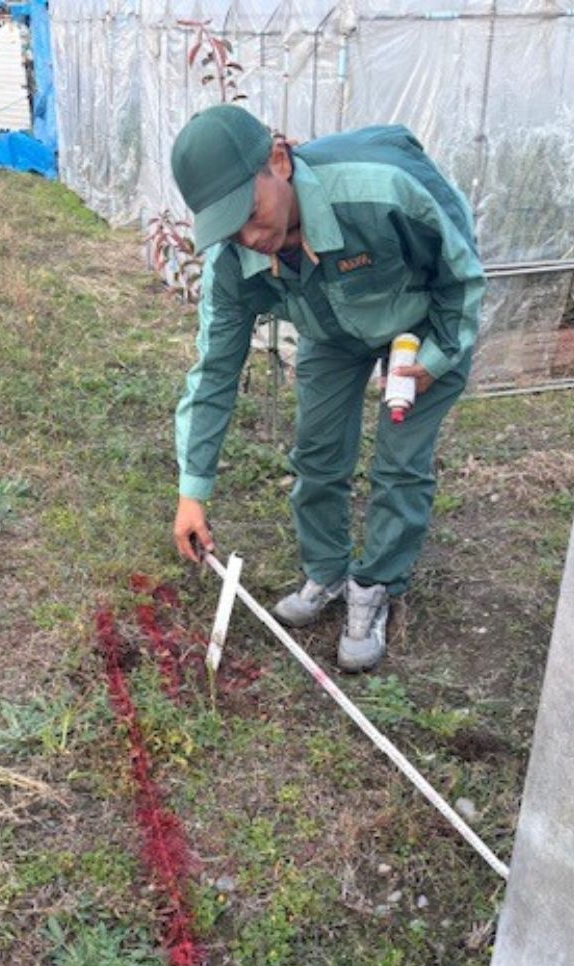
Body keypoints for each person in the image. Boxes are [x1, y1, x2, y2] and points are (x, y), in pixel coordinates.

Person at [170, 104, 484, 671]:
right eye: (227, 225)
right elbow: (214, 373)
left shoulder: (382, 191)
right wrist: (193, 492)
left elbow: (462, 272)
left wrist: (437, 357)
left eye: (248, 211)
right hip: (331, 333)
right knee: (316, 453)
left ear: (279, 162)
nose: (248, 235)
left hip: (421, 330)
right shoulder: (236, 261)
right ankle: (327, 573)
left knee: (400, 461)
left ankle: (377, 586)